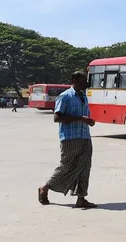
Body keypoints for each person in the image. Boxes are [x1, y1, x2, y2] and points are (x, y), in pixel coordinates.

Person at [38, 71, 97, 208]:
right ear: (75, 81)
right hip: (70, 138)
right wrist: (81, 119)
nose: (86, 84)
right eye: (83, 81)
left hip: (85, 136)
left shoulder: (83, 96)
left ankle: (81, 198)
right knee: (66, 167)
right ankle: (45, 188)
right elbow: (57, 118)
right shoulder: (65, 97)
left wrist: (88, 121)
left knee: (84, 168)